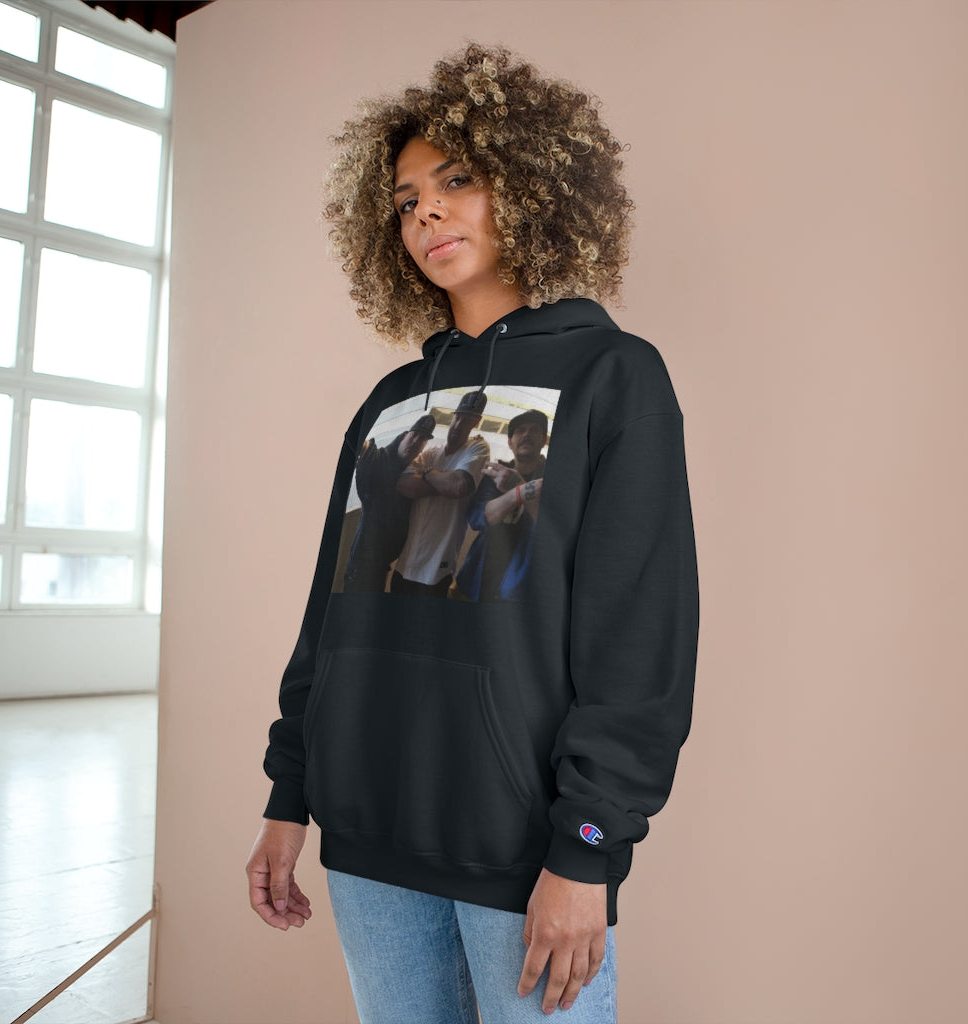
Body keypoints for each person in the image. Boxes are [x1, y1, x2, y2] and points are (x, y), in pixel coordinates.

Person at [246, 43, 699, 1023]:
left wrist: (587, 846)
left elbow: (639, 636)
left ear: (531, 186)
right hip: (365, 840)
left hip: (521, 851)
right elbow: (332, 617)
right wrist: (290, 796)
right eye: (406, 200)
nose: (426, 214)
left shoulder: (613, 377)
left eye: (455, 181)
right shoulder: (390, 402)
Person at [391, 392, 490, 598]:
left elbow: (459, 486)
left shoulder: (477, 448)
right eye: (457, 417)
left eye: (466, 420)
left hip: (437, 569)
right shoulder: (431, 452)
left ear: (476, 422)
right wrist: (444, 483)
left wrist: (427, 474)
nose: (458, 425)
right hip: (405, 563)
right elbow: (402, 484)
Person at [454, 409, 548, 602]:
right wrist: (519, 492)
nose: (527, 434)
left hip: (520, 595)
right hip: (475, 582)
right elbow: (478, 518)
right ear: (510, 442)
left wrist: (519, 486)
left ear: (544, 440)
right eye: (520, 430)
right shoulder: (495, 473)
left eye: (534, 430)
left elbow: (554, 532)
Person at [342, 414, 435, 592]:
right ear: (403, 436)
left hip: (383, 567)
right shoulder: (380, 459)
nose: (415, 441)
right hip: (361, 566)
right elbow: (366, 449)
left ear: (423, 448)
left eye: (422, 440)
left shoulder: (412, 472)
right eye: (413, 435)